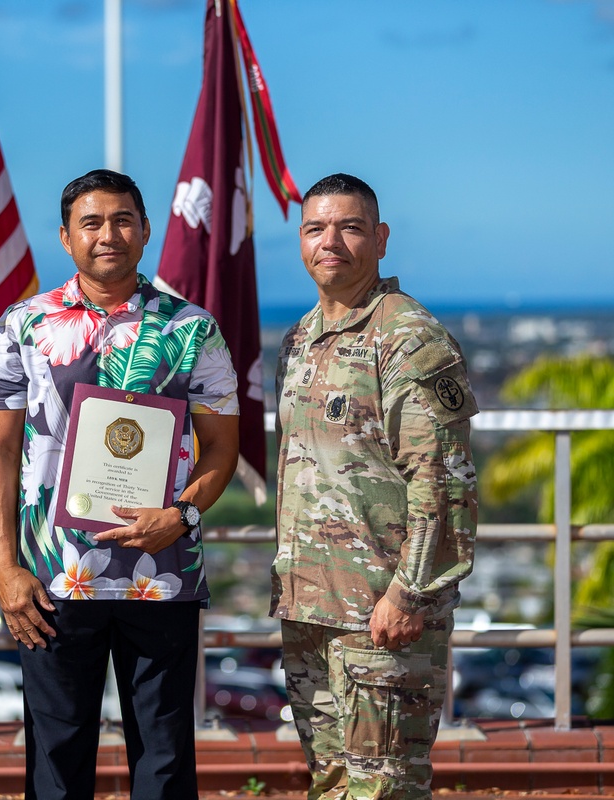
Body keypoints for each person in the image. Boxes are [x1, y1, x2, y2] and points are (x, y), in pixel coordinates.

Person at [0, 168, 240, 800]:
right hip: (51, 577)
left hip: (163, 570)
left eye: (123, 220)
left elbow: (222, 451)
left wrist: (179, 514)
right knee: (57, 758)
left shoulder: (191, 328)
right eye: (91, 223)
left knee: (165, 758)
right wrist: (5, 569)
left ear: (146, 230)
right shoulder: (25, 325)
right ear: (66, 237)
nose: (108, 235)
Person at [271, 173, 479, 800]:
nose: (329, 241)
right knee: (333, 784)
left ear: (381, 239)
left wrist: (411, 594)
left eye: (349, 226)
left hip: (382, 614)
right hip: (311, 609)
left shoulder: (408, 338)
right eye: (315, 228)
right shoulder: (303, 337)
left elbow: (442, 483)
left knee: (382, 789)